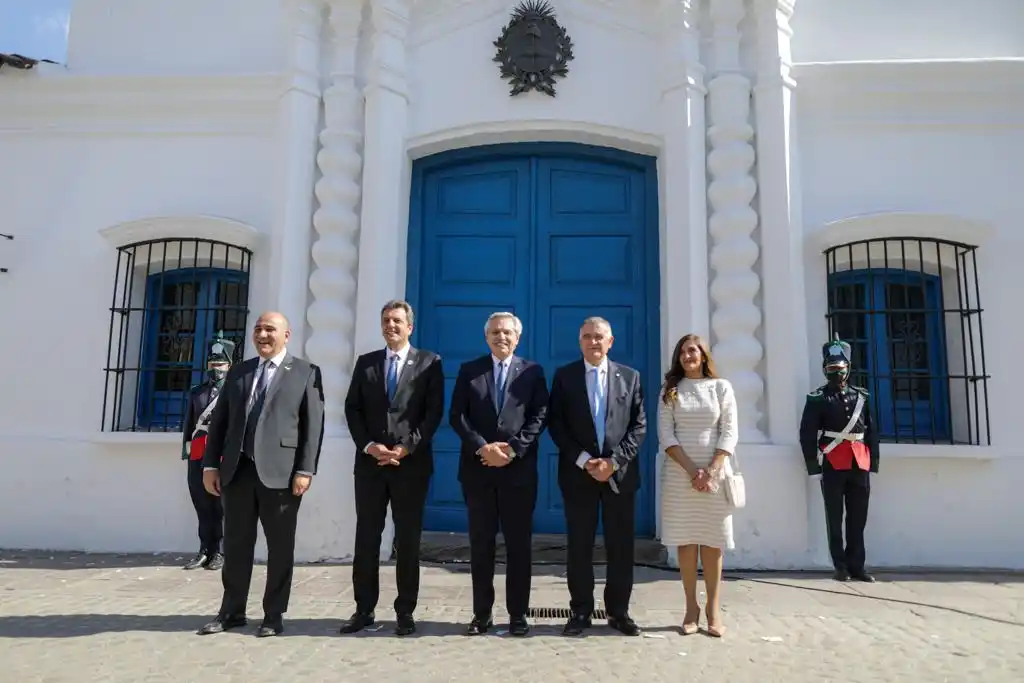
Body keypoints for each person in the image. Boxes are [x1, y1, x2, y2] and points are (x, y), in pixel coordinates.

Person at [196, 311, 325, 638]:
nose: (263, 334)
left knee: (280, 547)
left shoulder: (305, 372)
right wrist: (211, 465)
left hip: (281, 475)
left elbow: (313, 427)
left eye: (270, 329)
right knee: (237, 545)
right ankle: (231, 611)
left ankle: (273, 615)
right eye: (258, 329)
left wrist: (305, 470)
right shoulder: (240, 371)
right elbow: (220, 424)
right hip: (237, 473)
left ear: (287, 335)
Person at [341, 300, 445, 636]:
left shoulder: (429, 363)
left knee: (408, 541)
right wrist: (370, 446)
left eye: (397, 321)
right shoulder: (367, 363)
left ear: (409, 326)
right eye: (386, 320)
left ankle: (405, 611)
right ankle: (363, 609)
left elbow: (433, 413)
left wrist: (406, 447)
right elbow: (352, 408)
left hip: (410, 467)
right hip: (371, 466)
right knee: (367, 539)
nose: (391, 326)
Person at [448, 312, 549, 637]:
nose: (501, 337)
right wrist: (482, 447)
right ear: (486, 336)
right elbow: (457, 416)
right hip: (478, 473)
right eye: (494, 332)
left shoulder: (533, 372)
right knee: (481, 546)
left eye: (507, 332)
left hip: (518, 474)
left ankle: (518, 615)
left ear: (517, 337)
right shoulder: (469, 371)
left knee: (519, 547)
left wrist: (512, 450)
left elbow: (539, 416)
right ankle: (482, 615)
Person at [548, 317, 646, 637]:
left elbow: (638, 427)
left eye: (599, 337)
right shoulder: (565, 377)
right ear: (580, 342)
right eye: (587, 337)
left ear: (610, 341)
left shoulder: (630, 378)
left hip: (619, 476)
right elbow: (557, 425)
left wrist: (613, 463)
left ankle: (619, 613)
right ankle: (580, 612)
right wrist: (585, 460)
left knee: (620, 547)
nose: (593, 342)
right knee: (580, 546)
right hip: (579, 475)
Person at [657, 333, 738, 638]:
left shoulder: (722, 387)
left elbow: (729, 431)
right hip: (681, 475)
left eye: (693, 351)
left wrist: (713, 469)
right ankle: (690, 608)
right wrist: (693, 471)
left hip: (715, 476)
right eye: (683, 352)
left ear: (704, 355)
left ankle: (713, 609)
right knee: (687, 540)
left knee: (713, 541)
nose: (688, 356)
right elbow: (666, 435)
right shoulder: (671, 390)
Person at [799, 335, 879, 583]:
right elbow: (807, 433)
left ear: (848, 369)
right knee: (834, 517)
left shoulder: (861, 396)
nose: (836, 373)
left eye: (840, 368)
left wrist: (873, 462)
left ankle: (858, 565)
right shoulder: (818, 398)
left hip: (859, 461)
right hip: (833, 462)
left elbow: (872, 431)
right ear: (825, 369)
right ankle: (840, 566)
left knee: (858, 517)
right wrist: (813, 466)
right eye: (831, 369)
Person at [180, 333, 233, 571]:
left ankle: (220, 552)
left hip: (222, 453)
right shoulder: (197, 392)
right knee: (201, 503)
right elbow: (189, 426)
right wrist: (187, 452)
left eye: (220, 364)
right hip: (199, 453)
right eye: (212, 364)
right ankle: (204, 549)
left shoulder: (234, 392)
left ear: (229, 365)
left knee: (220, 505)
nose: (216, 369)